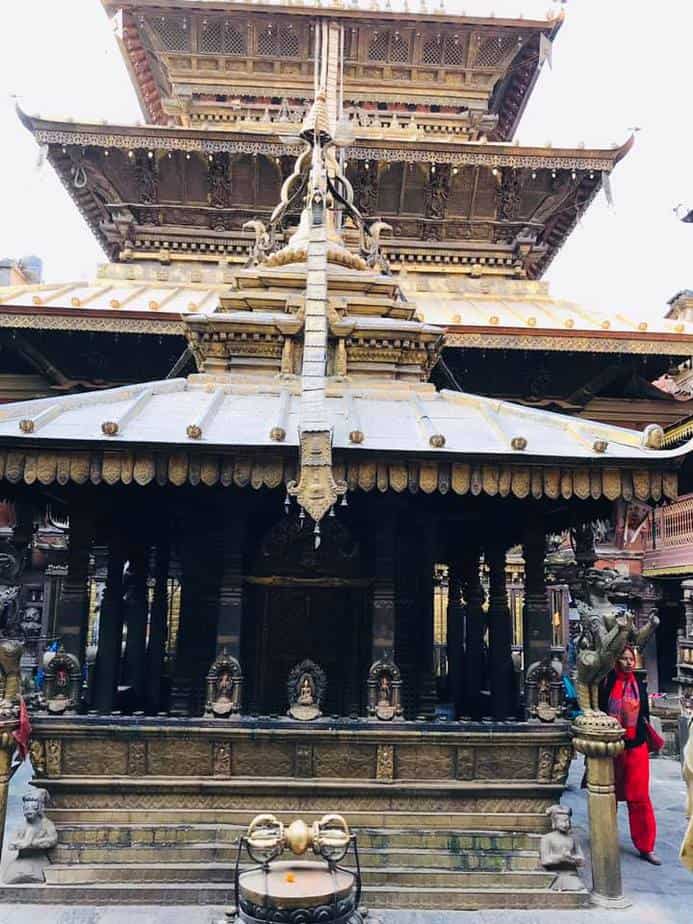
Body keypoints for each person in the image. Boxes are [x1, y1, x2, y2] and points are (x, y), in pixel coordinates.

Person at [599, 645, 660, 865]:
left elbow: (644, 716)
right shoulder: (606, 683)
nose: (628, 663)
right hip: (612, 747)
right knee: (608, 796)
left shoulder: (639, 686)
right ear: (616, 661)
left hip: (636, 746)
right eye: (623, 659)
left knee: (640, 797)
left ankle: (646, 846)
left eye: (630, 659)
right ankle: (604, 838)